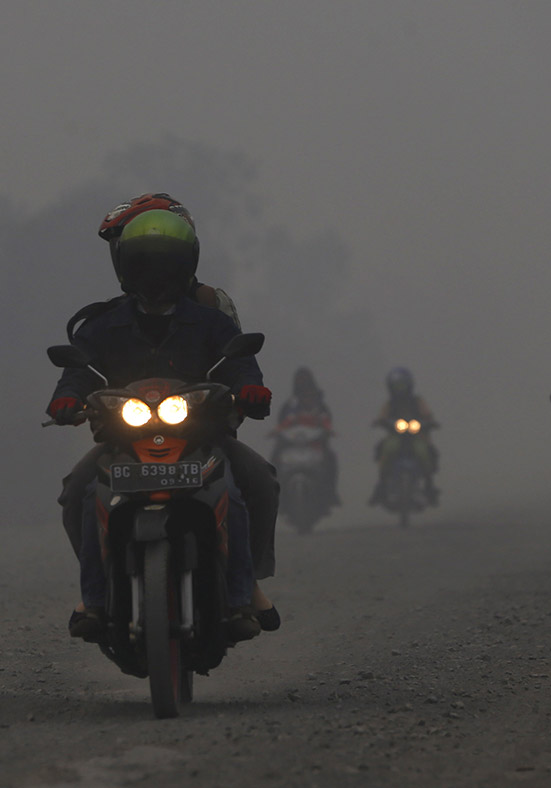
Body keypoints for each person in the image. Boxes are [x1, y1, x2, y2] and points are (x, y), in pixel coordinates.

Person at [46, 207, 277, 642]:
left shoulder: (211, 320)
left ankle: (244, 591)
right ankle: (94, 598)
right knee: (78, 492)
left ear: (186, 265)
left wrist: (252, 390)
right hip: (123, 442)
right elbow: (77, 371)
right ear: (124, 267)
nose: (156, 275)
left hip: (204, 439)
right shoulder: (101, 324)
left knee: (258, 483)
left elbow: (240, 361)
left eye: (166, 264)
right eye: (143, 264)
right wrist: (64, 398)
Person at [271, 367, 341, 507]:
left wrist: (326, 432)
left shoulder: (319, 405)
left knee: (330, 458)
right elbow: (282, 423)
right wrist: (278, 432)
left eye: (305, 381)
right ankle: (274, 493)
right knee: (274, 460)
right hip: (291, 444)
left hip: (315, 444)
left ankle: (331, 493)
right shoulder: (290, 406)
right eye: (300, 381)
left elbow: (327, 423)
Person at [368, 367, 439, 506]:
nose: (400, 389)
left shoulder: (418, 401)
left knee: (423, 452)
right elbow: (382, 416)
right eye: (397, 386)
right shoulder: (389, 404)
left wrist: (429, 422)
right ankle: (382, 485)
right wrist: (380, 421)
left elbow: (427, 414)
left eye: (402, 386)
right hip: (396, 437)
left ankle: (429, 486)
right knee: (387, 449)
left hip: (417, 437)